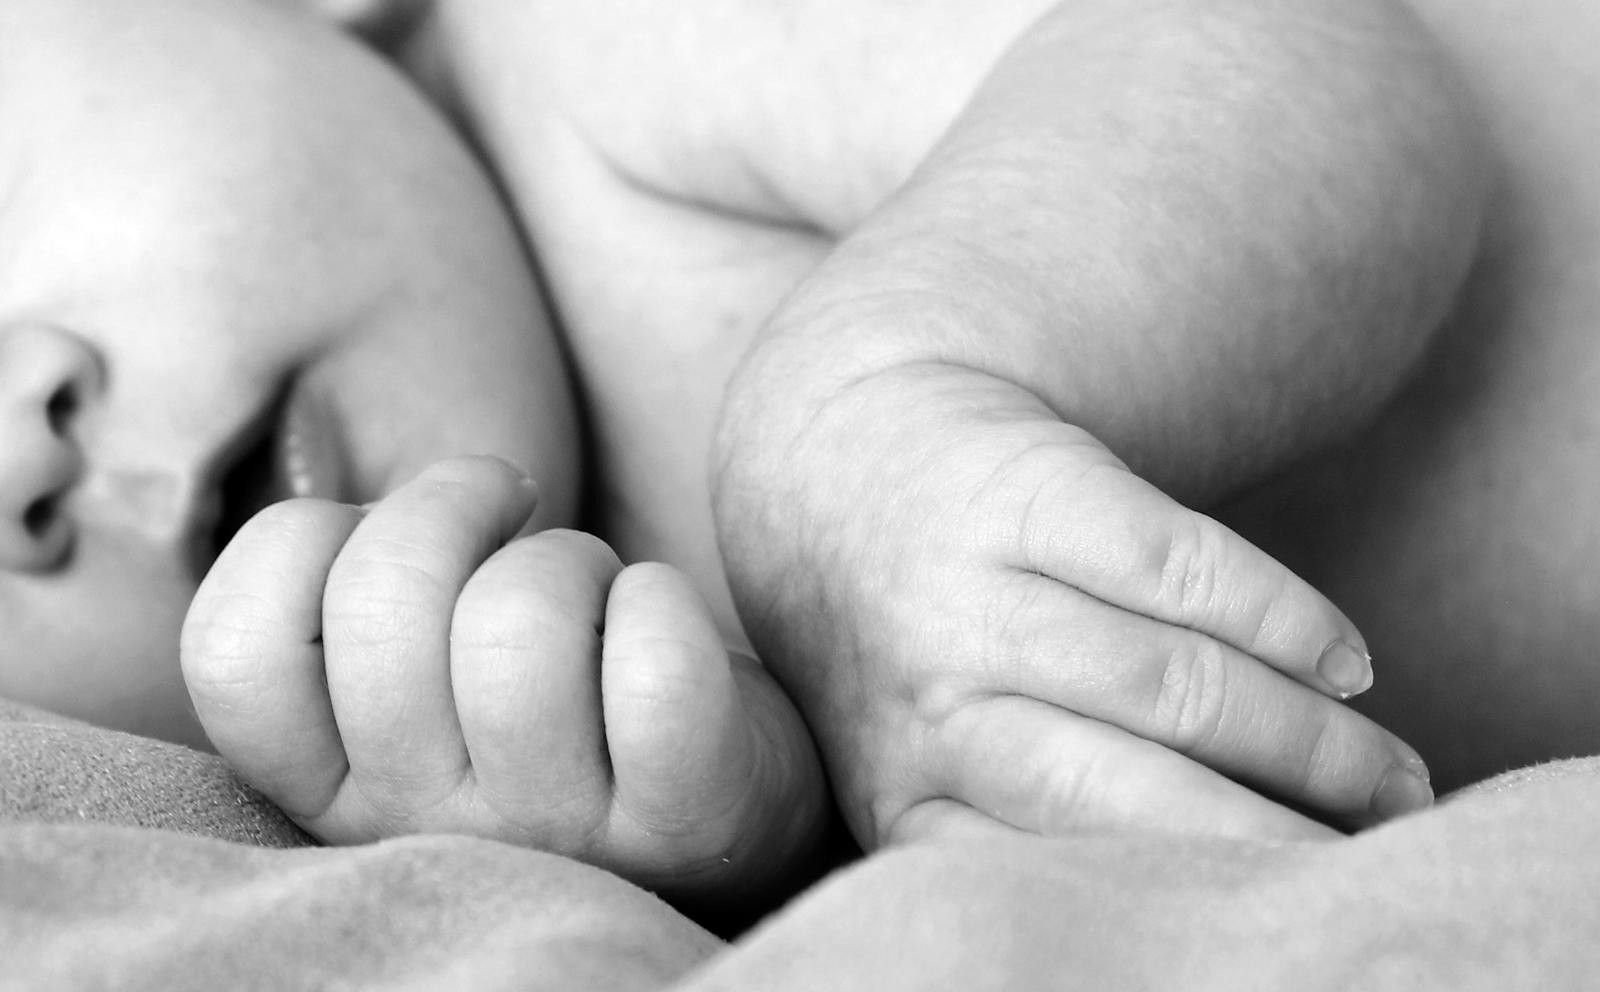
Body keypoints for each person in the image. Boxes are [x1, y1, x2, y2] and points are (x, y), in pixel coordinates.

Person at [0, 0, 1475, 909]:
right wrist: (728, 814)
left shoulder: (590, 51)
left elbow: (1297, 63)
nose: (17, 456)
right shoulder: (475, 718)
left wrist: (890, 390)